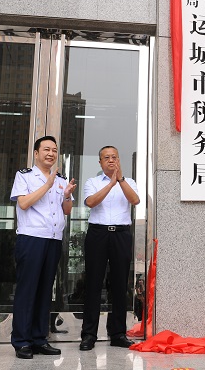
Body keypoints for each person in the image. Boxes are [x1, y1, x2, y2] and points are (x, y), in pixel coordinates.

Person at [10, 136, 76, 359]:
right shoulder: (25, 176)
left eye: (54, 150)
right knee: (27, 290)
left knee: (45, 291)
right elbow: (24, 203)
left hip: (53, 239)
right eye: (46, 149)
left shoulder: (60, 179)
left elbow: (66, 210)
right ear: (36, 153)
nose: (51, 153)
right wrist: (47, 186)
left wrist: (66, 196)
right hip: (31, 238)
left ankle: (39, 339)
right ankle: (21, 341)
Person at [80, 146, 140, 351]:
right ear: (100, 162)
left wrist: (120, 181)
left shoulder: (129, 182)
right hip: (98, 234)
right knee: (93, 284)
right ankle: (89, 334)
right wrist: (110, 184)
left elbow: (135, 200)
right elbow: (90, 202)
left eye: (114, 157)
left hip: (121, 235)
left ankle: (118, 333)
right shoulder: (92, 182)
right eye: (106, 158)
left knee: (119, 285)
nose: (111, 161)